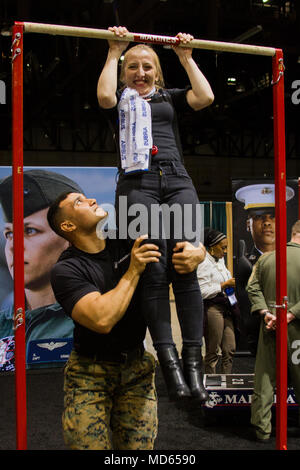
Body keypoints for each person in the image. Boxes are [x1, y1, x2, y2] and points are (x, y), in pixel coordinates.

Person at [97, 25, 213, 402]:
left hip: (177, 181)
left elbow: (206, 96)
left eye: (147, 66)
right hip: (136, 185)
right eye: (133, 67)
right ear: (125, 72)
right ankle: (170, 365)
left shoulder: (169, 98)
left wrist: (186, 57)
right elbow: (102, 98)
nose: (141, 73)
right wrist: (115, 52)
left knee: (185, 263)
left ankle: (194, 363)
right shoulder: (121, 98)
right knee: (154, 268)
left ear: (158, 73)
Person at [47, 190, 205, 450]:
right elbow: (102, 319)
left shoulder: (125, 241)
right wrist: (133, 270)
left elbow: (191, 244)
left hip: (136, 370)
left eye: (86, 197)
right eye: (79, 202)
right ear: (68, 225)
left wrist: (198, 254)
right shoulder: (66, 270)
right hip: (89, 376)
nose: (91, 200)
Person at [0, 169, 83, 370]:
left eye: (30, 231)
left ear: (70, 239)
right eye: (9, 233)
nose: (13, 246)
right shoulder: (3, 324)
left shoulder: (92, 320)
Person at [246, 220, 300, 442]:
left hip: (269, 327)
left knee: (265, 379)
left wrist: (266, 313)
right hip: (297, 329)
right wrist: (291, 314)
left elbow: (252, 287)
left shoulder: (266, 258)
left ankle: (262, 429)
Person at [235, 183, 294, 355]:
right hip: (262, 330)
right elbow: (248, 303)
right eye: (259, 216)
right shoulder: (246, 264)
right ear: (248, 224)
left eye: (273, 216)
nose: (267, 222)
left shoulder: (292, 258)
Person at [197, 229, 240, 374]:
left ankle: (226, 382)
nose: (226, 251)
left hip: (226, 306)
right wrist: (224, 285)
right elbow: (202, 292)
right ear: (212, 247)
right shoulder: (203, 263)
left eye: (226, 247)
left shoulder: (220, 260)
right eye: (223, 247)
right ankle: (211, 384)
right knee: (213, 349)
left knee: (230, 348)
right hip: (213, 308)